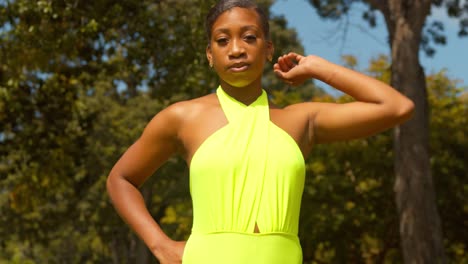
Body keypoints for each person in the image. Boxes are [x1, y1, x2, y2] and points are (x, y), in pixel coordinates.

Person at [106, 0, 414, 263]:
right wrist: (161, 246)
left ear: (268, 49)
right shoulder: (182, 117)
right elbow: (121, 179)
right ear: (209, 54)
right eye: (222, 40)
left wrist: (318, 67)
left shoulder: (300, 120)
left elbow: (396, 107)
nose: (236, 49)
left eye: (249, 37)